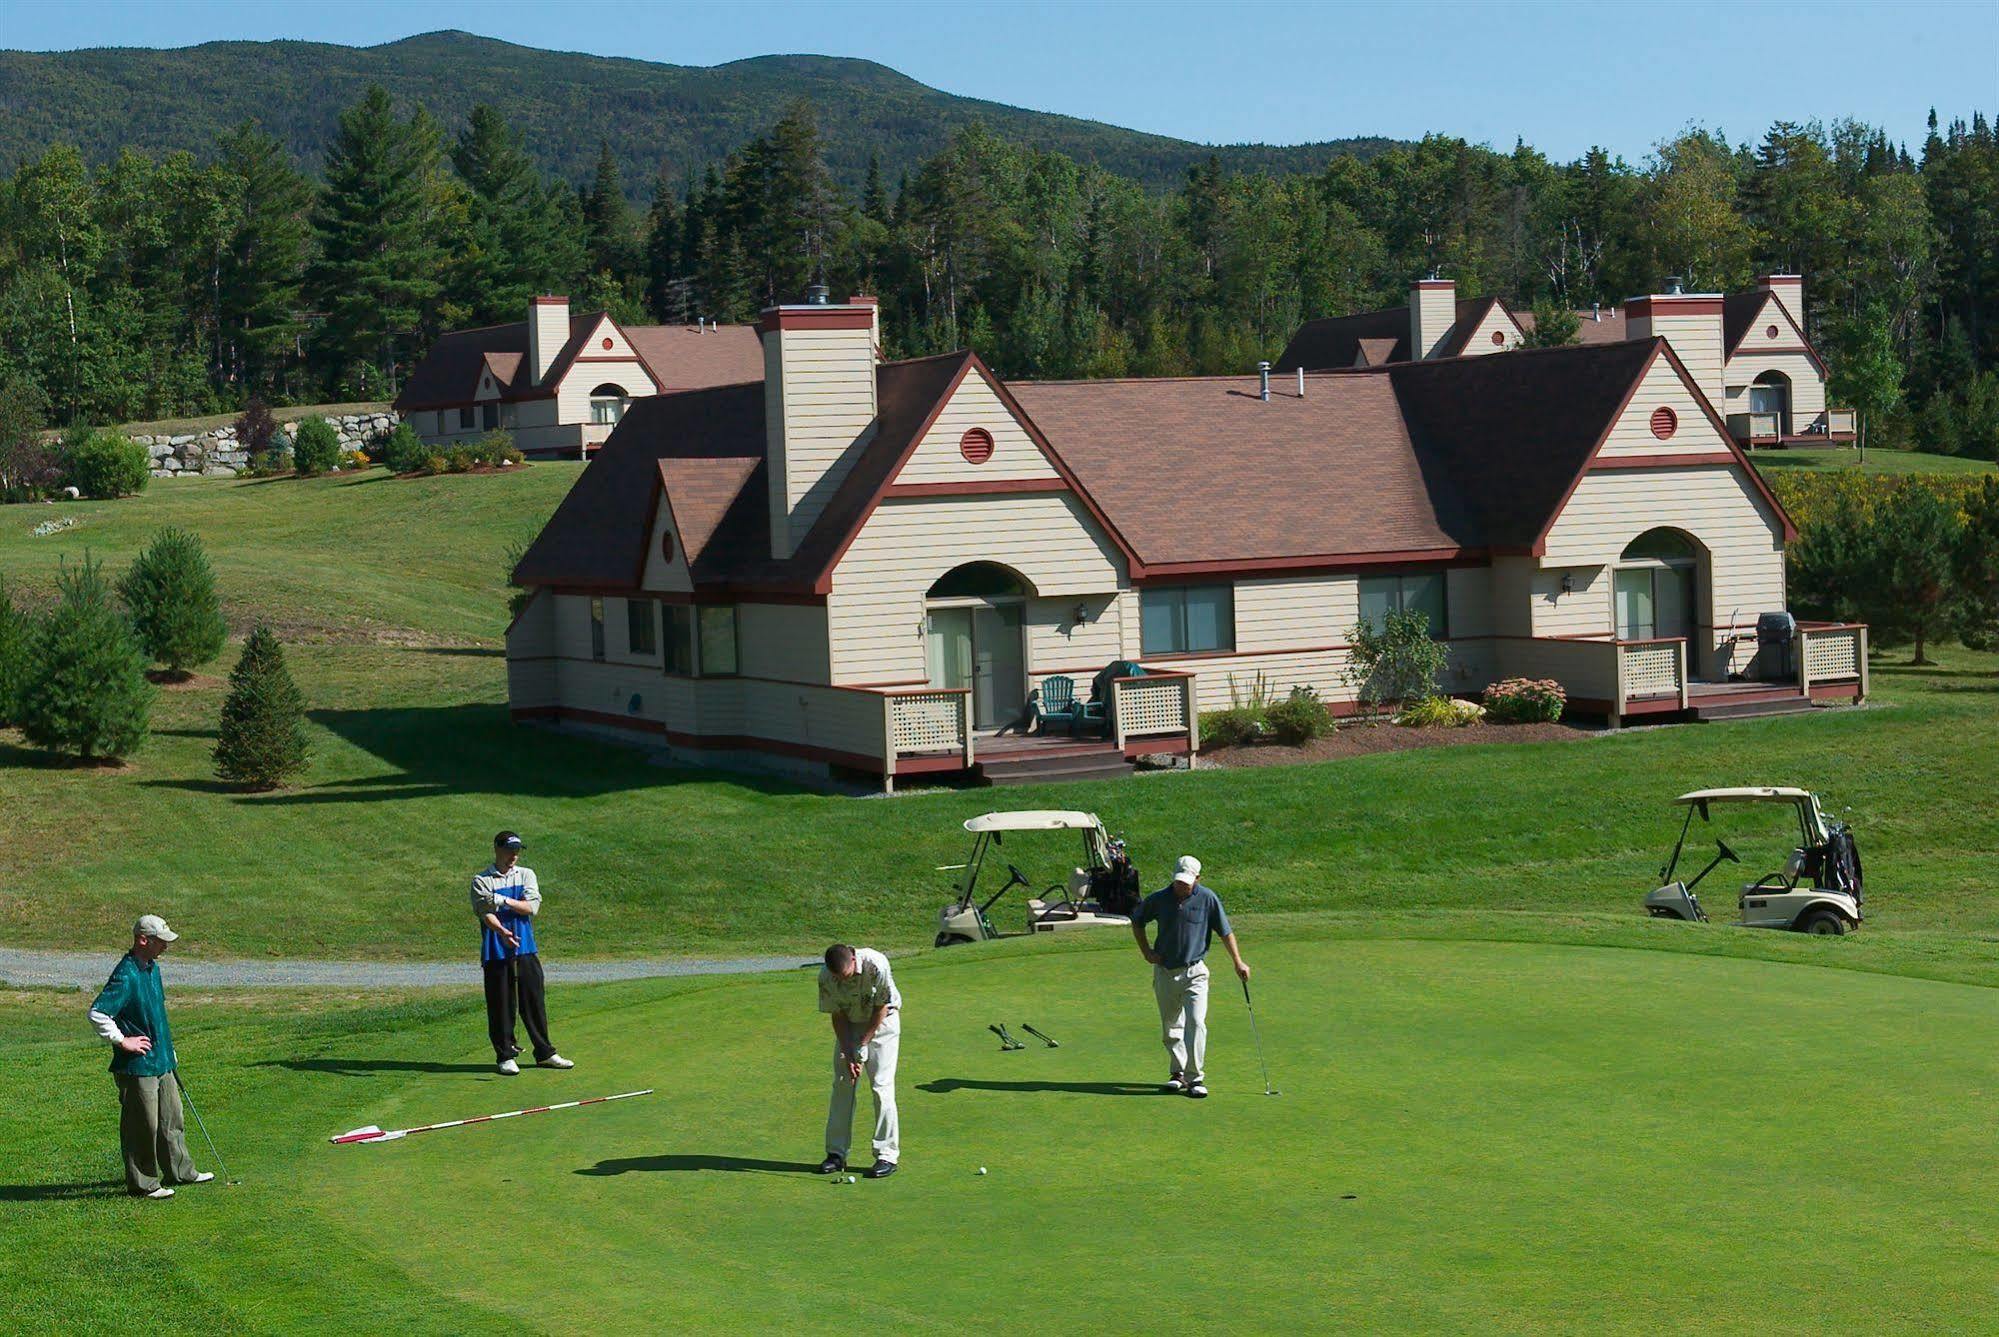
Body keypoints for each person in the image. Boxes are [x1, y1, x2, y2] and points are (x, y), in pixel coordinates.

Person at [86, 915, 213, 1199]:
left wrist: (169, 1051)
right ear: (143, 940)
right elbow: (97, 1013)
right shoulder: (126, 974)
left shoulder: (152, 970)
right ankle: (143, 1183)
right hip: (137, 1065)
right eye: (160, 942)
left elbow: (157, 1015)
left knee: (172, 1118)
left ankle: (181, 1171)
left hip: (161, 1059)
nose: (165, 947)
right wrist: (122, 1041)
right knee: (143, 1124)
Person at [1130, 855, 1250, 1099]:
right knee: (1171, 1026)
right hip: (1165, 971)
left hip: (1195, 972)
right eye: (1178, 881)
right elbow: (1137, 920)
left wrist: (1238, 961)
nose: (1181, 886)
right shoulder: (1160, 899)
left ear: (1197, 878)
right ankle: (1177, 1074)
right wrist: (1146, 952)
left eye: (1186, 882)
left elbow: (1225, 932)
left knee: (1195, 1023)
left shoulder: (1207, 899)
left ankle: (1196, 1078)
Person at [471, 831, 572, 1075]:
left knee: (533, 1001)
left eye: (517, 851)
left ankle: (545, 1053)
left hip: (526, 947)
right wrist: (503, 932)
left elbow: (531, 908)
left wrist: (502, 901)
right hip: (496, 949)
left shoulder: (526, 875)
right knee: (501, 1005)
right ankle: (505, 1055)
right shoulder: (481, 880)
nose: (513, 856)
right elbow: (485, 913)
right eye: (509, 850)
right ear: (497, 849)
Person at [817, 943, 901, 1179]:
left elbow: (881, 1007)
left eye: (847, 977)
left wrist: (862, 1045)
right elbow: (837, 1014)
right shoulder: (826, 977)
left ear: (854, 960)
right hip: (850, 1024)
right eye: (838, 978)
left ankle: (887, 1155)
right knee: (843, 1085)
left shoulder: (877, 964)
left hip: (883, 1023)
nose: (843, 982)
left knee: (881, 1086)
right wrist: (847, 1050)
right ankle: (836, 1153)